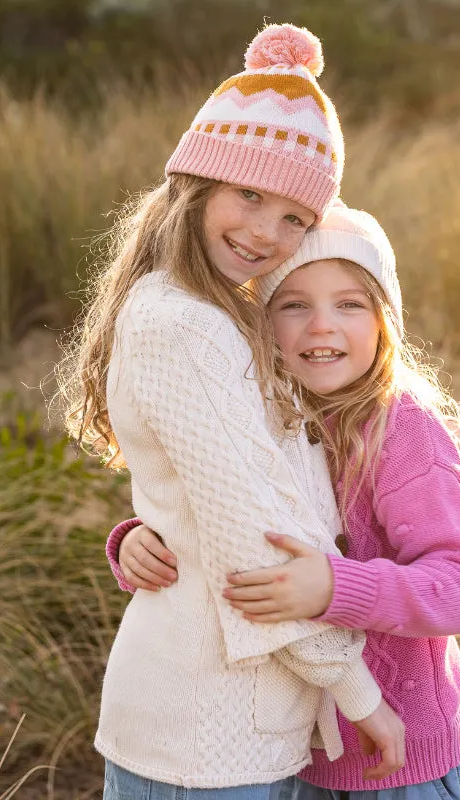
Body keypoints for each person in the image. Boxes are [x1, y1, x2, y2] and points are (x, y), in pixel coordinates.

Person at [58, 23, 409, 800]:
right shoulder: (182, 325)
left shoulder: (225, 316)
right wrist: (360, 696)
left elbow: (215, 485)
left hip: (244, 728)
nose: (264, 232)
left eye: (294, 218)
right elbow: (256, 541)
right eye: (249, 194)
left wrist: (144, 529)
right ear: (196, 183)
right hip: (201, 735)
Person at [109, 204, 460, 800]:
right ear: (260, 324)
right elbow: (228, 509)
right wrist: (137, 538)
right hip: (299, 749)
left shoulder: (403, 432)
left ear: (385, 320)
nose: (321, 327)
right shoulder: (267, 412)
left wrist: (335, 589)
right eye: (293, 305)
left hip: (399, 759)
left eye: (349, 304)